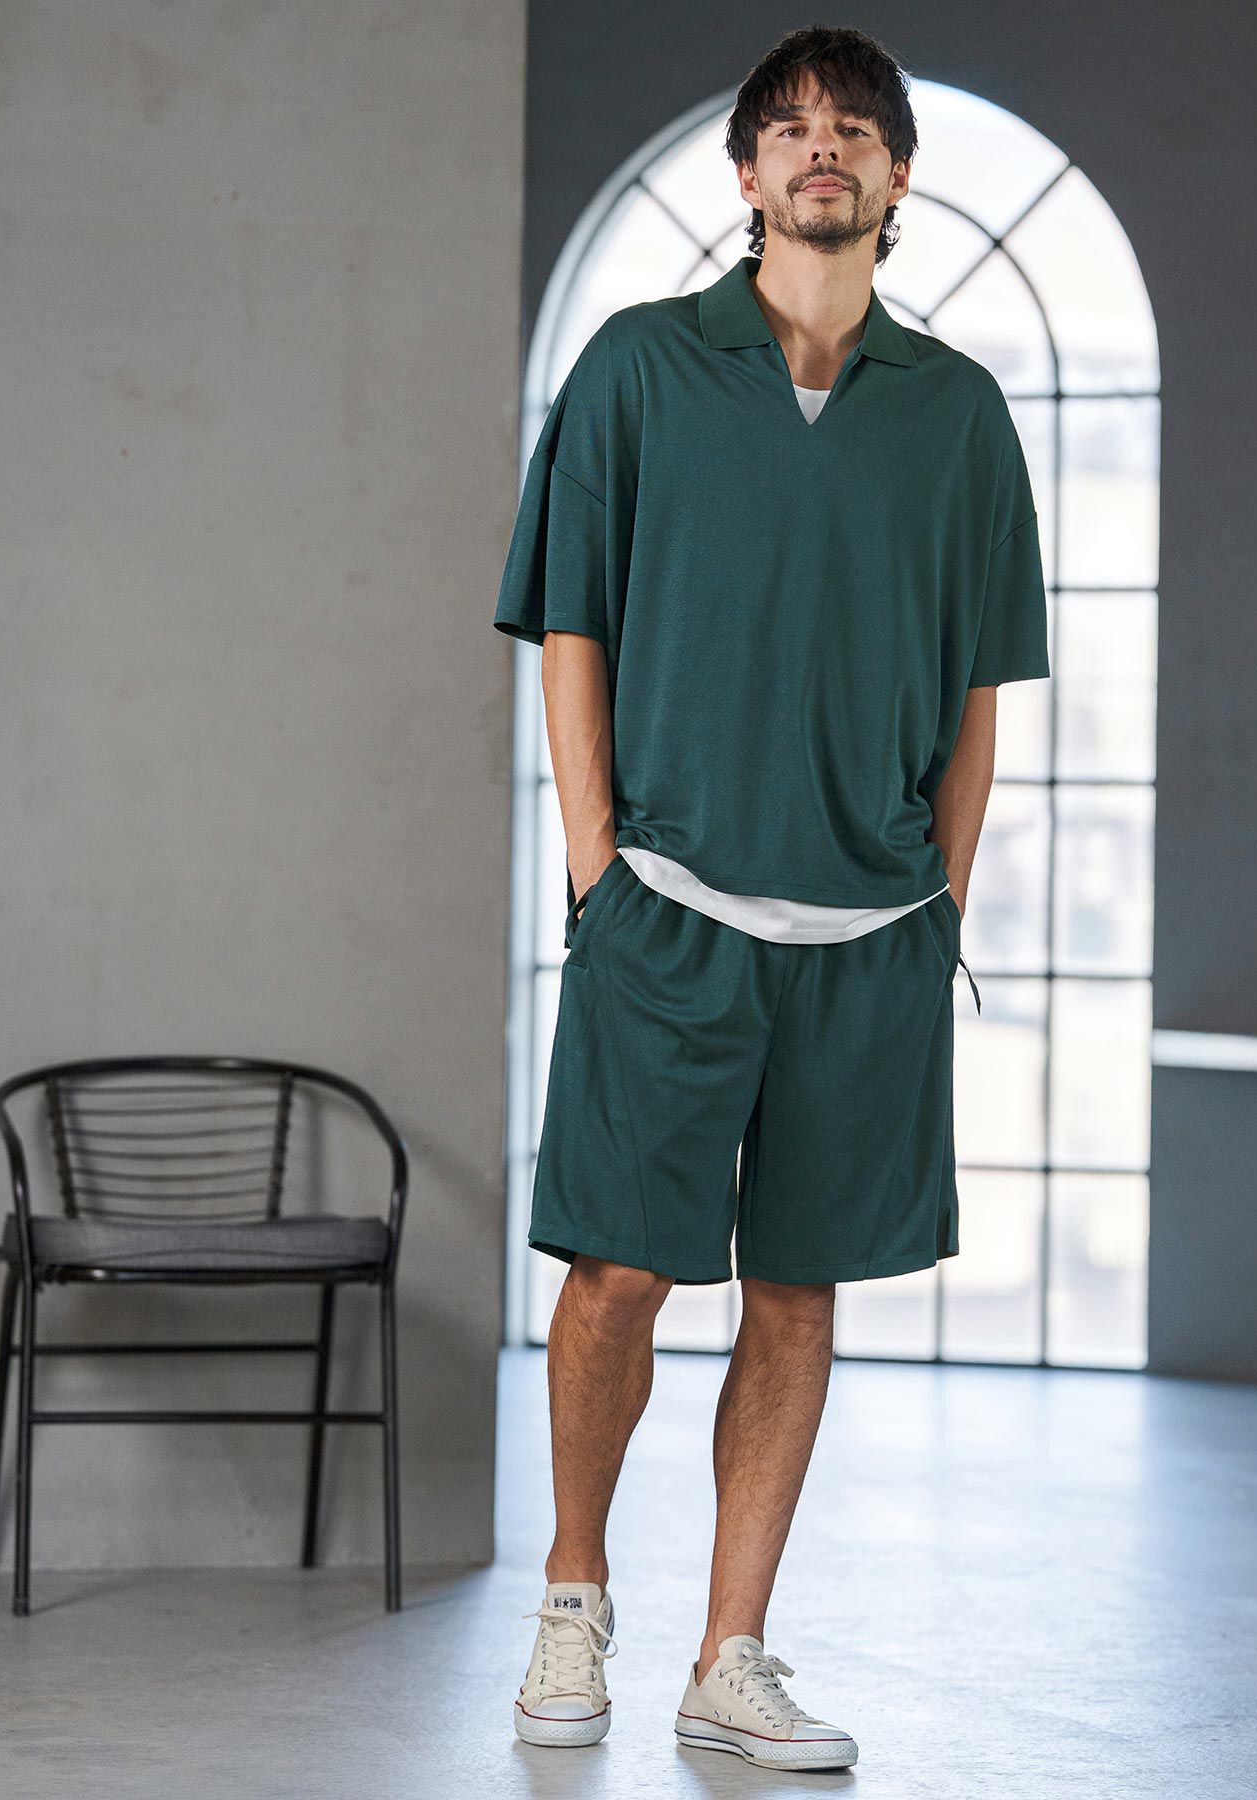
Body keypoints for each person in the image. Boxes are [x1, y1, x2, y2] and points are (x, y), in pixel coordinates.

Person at [494, 23, 1049, 1773]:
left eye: (856, 129)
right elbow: (569, 622)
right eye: (792, 128)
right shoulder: (639, 371)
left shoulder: (959, 415)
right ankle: (574, 1599)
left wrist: (940, 902)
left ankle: (731, 1653)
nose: (826, 148)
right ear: (747, 173)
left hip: (869, 939)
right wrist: (598, 870)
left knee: (798, 1296)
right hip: (663, 913)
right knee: (616, 1278)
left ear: (898, 174)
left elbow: (981, 688)